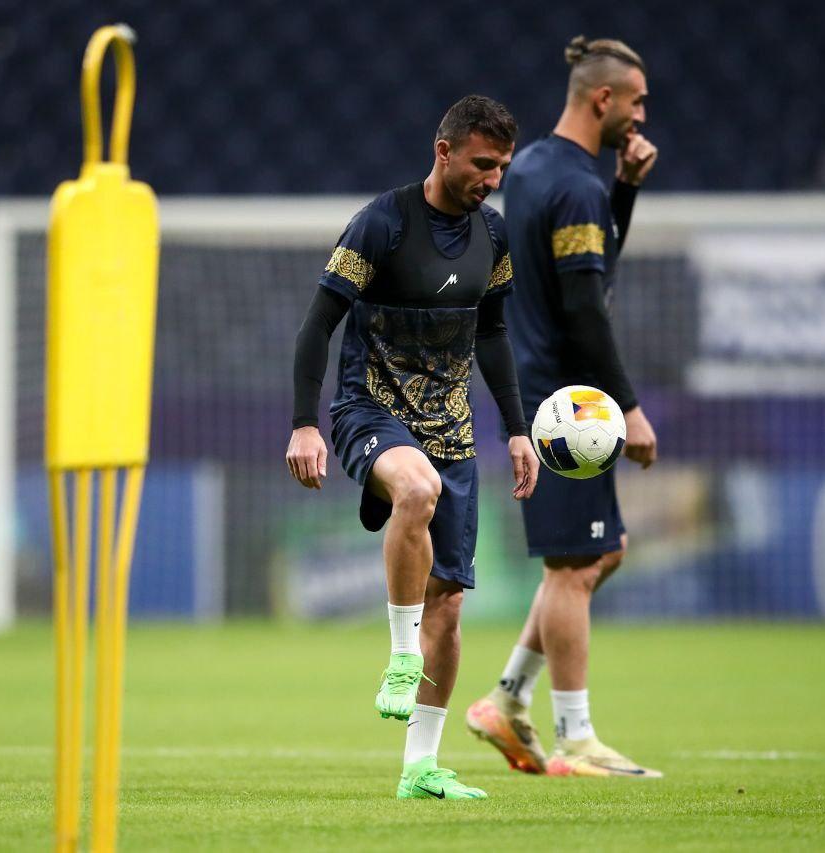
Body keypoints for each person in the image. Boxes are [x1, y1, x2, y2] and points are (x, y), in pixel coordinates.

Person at [286, 95, 540, 800]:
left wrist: (517, 428)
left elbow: (492, 333)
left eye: (502, 167)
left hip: (451, 429)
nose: (492, 179)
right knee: (416, 487)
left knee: (450, 606)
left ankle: (420, 768)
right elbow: (318, 324)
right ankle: (401, 655)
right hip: (370, 409)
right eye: (482, 164)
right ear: (443, 151)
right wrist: (305, 423)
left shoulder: (494, 235)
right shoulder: (383, 223)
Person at [465, 36, 662, 778]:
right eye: (636, 101)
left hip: (540, 388)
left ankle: (507, 697)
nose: (642, 115)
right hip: (565, 402)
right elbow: (586, 307)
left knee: (600, 552)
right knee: (575, 566)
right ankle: (576, 739)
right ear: (603, 98)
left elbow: (585, 274)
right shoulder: (575, 187)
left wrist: (626, 191)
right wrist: (630, 408)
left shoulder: (536, 168)